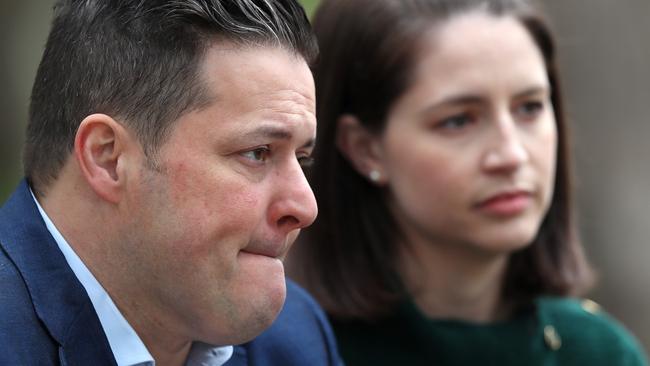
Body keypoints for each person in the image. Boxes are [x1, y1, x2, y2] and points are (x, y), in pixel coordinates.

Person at [290, 0, 649, 365]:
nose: (512, 155)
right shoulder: (285, 349)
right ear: (365, 149)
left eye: (530, 107)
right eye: (459, 121)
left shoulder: (598, 352)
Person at [0, 0, 342, 365]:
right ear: (109, 158)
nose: (306, 207)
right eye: (258, 152)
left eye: (302, 159)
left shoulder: (294, 341)